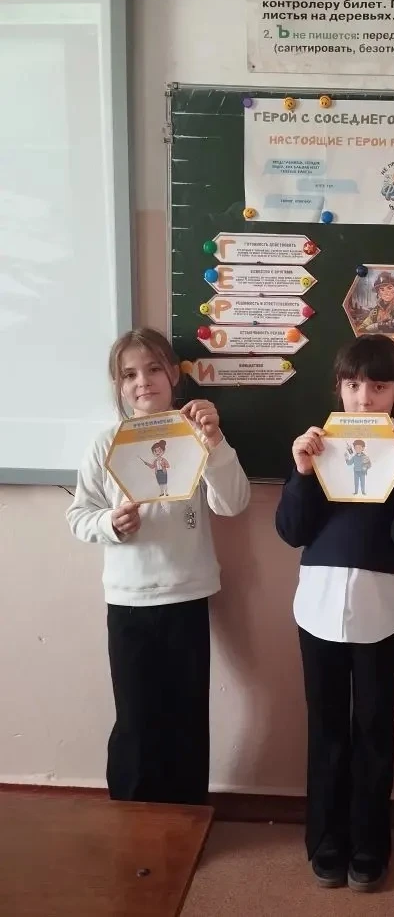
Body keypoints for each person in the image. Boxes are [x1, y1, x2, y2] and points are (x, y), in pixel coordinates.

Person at [275, 335, 394, 892]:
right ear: (338, 388)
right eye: (352, 385)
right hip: (317, 605)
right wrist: (302, 472)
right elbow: (291, 531)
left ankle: (370, 842)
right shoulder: (317, 445)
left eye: (377, 386)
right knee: (325, 728)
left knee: (372, 726)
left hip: (381, 608)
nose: (364, 398)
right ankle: (326, 838)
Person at [66, 327, 251, 805]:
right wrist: (110, 523)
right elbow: (79, 514)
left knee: (187, 717)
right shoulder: (105, 444)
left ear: (173, 374)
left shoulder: (197, 436)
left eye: (152, 369)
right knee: (135, 718)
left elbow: (232, 503)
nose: (142, 381)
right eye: (129, 374)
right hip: (128, 600)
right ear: (119, 385)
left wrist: (215, 442)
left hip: (187, 595)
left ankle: (185, 819)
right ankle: (131, 818)